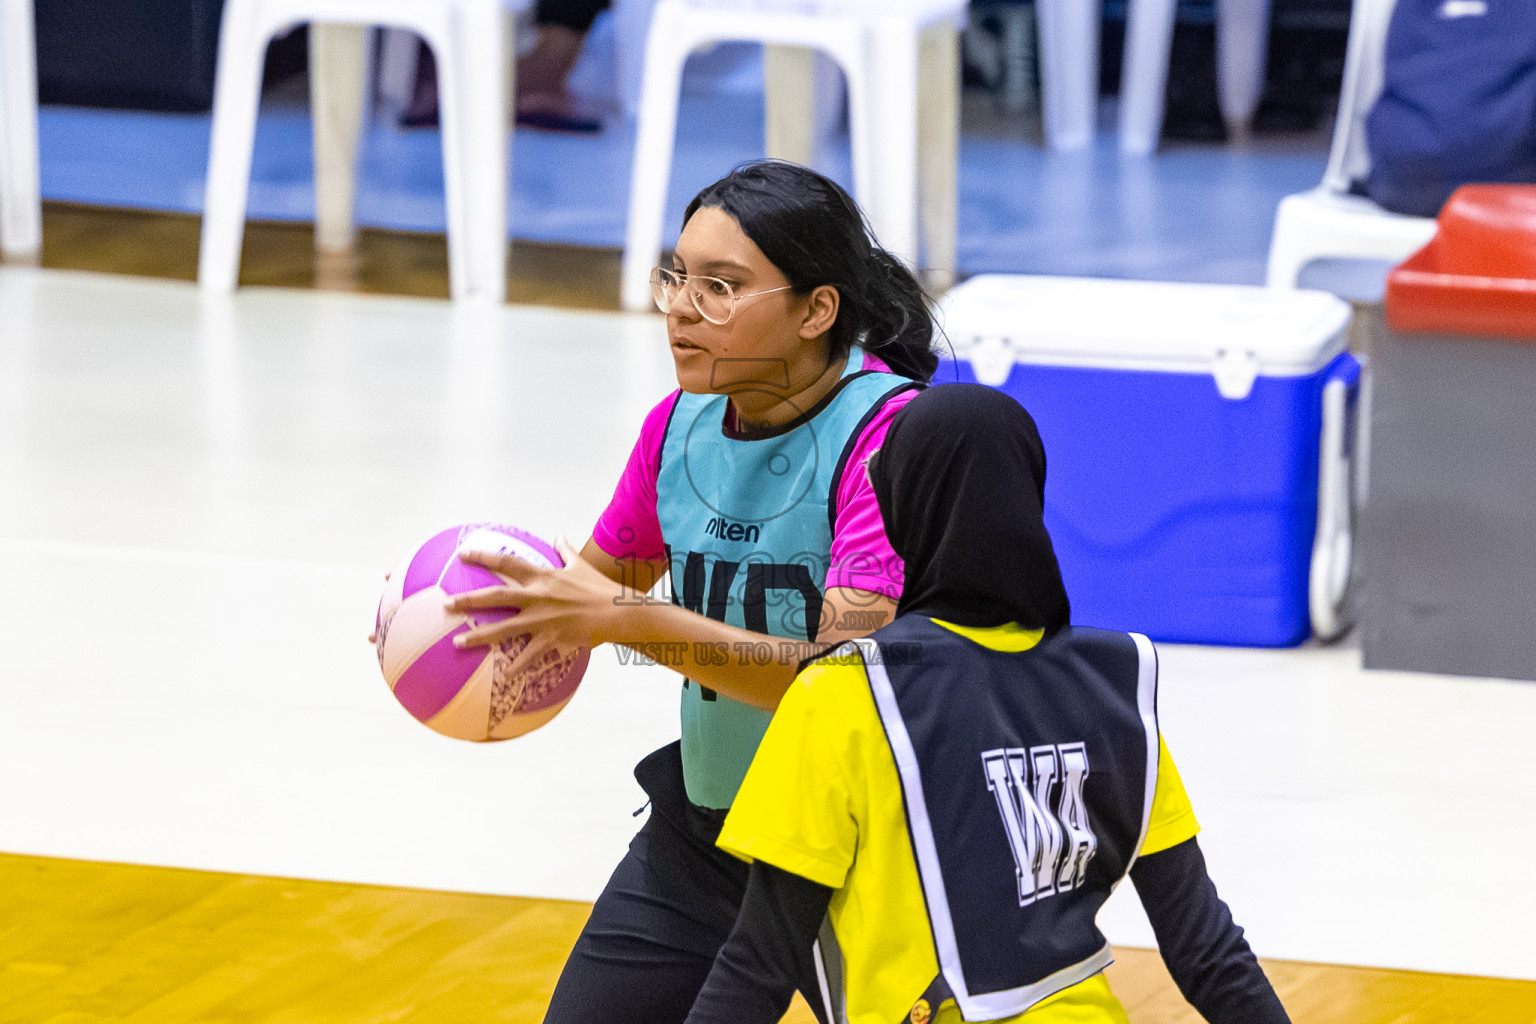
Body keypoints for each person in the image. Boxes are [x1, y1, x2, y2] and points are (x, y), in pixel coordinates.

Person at [444, 159, 938, 1023]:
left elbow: (835, 680)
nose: (679, 307)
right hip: (712, 834)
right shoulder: (679, 426)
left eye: (721, 285)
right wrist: (466, 617)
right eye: (677, 276)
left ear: (817, 310)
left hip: (872, 854)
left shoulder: (893, 438)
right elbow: (587, 596)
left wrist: (619, 620)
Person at [680, 385, 1293, 1024]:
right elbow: (1207, 951)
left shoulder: (846, 692)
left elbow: (758, 965)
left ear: (907, 504)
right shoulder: (1113, 682)